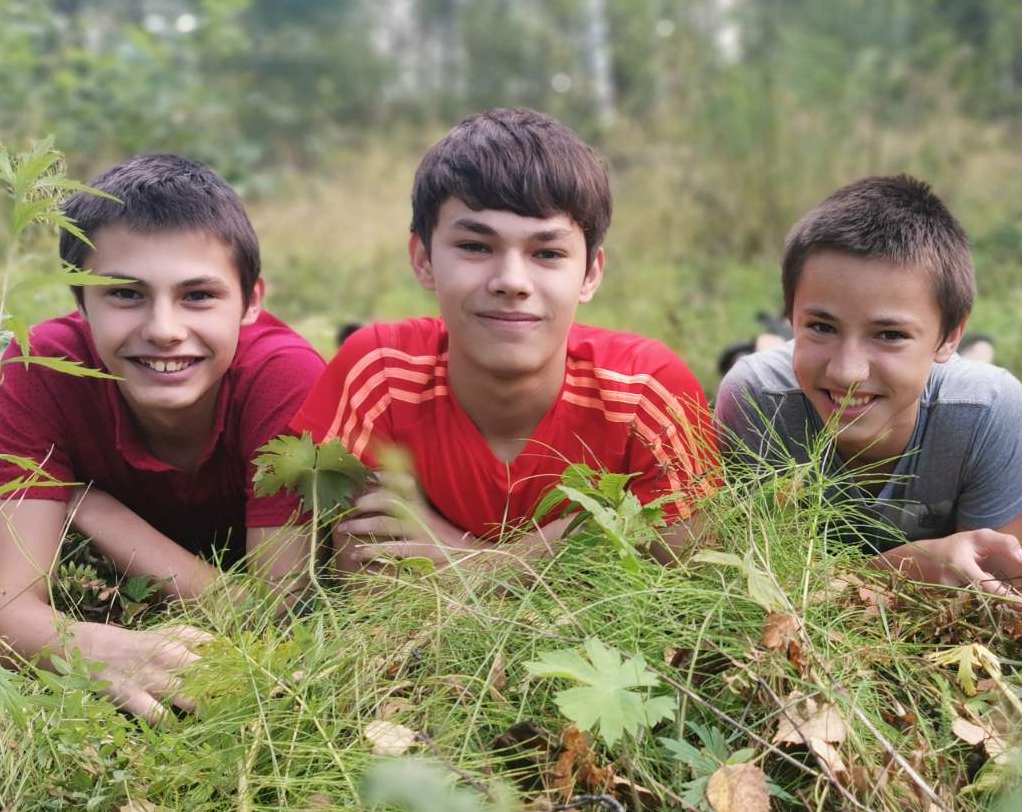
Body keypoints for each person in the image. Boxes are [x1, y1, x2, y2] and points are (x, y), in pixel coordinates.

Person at [0, 154, 325, 722]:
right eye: (125, 294)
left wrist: (92, 506)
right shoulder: (44, 366)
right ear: (80, 302)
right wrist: (106, 649)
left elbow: (276, 612)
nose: (163, 329)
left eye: (199, 296)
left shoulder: (283, 377)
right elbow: (2, 611)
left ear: (252, 301)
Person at [289, 107, 714, 566]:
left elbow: (686, 582)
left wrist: (474, 562)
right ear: (423, 259)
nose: (512, 281)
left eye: (547, 253)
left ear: (590, 274)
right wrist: (589, 533)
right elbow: (366, 579)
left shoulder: (647, 391)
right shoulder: (379, 374)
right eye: (475, 247)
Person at [715, 175, 1022, 591]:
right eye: (821, 326)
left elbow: (1003, 597)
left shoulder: (988, 410)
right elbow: (750, 592)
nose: (847, 371)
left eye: (889, 335)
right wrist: (909, 566)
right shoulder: (757, 401)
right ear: (791, 318)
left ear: (949, 336)